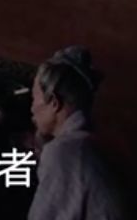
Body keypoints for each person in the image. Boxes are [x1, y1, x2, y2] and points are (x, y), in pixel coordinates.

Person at [28, 46, 127, 220]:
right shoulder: (91, 143)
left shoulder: (63, 153)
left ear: (54, 103)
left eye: (35, 99)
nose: (32, 108)